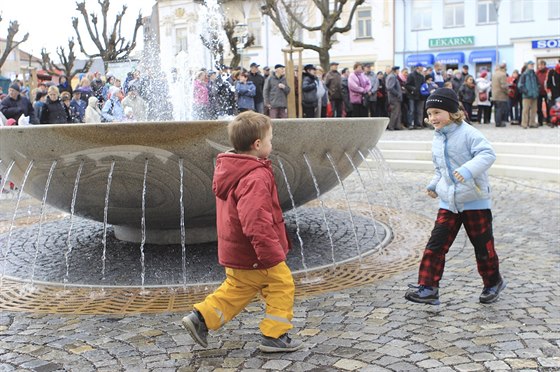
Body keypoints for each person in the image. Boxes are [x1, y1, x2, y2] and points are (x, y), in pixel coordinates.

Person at [181, 111, 303, 353]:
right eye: (270, 140)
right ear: (257, 145)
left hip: (236, 249)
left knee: (238, 288)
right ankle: (274, 335)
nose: (271, 144)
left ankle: (201, 318)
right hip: (257, 253)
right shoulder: (255, 176)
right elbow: (255, 221)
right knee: (282, 284)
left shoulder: (232, 168)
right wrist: (269, 252)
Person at [405, 88, 504, 306]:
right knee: (436, 245)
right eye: (429, 113)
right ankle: (428, 287)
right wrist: (434, 185)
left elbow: (488, 154)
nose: (432, 118)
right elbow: (440, 168)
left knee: (482, 246)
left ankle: (493, 282)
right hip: (448, 201)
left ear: (451, 112)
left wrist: (468, 170)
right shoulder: (438, 138)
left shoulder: (469, 133)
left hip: (474, 200)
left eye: (437, 112)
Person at [518, 61, 539, 128]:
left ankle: (532, 123)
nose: (532, 66)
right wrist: (525, 91)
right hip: (526, 95)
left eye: (533, 65)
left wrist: (537, 90)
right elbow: (520, 85)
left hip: (534, 95)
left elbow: (538, 84)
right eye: (531, 65)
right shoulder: (524, 74)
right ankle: (524, 123)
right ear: (527, 66)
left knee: (534, 110)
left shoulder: (534, 74)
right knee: (525, 110)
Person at [406, 63, 425, 129]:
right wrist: (413, 89)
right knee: (411, 110)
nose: (422, 68)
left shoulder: (422, 76)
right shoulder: (411, 75)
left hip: (419, 96)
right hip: (412, 95)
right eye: (421, 67)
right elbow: (407, 85)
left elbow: (423, 85)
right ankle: (410, 124)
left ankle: (417, 124)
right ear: (417, 67)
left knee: (418, 110)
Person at [491, 63, 509, 127]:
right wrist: (508, 91)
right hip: (501, 95)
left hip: (494, 95)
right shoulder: (503, 75)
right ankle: (500, 122)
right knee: (500, 110)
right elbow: (503, 86)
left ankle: (497, 122)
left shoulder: (494, 74)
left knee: (496, 109)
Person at [385, 66, 403, 130]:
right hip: (394, 98)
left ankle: (397, 126)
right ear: (395, 70)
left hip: (395, 98)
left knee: (397, 112)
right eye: (398, 70)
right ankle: (391, 126)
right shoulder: (392, 77)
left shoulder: (393, 76)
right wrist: (397, 94)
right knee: (394, 112)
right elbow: (390, 87)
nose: (399, 71)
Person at [536, 60, 550, 125]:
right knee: (538, 107)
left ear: (544, 65)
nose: (540, 66)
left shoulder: (548, 72)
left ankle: (548, 120)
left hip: (547, 91)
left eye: (542, 65)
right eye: (539, 65)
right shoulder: (537, 73)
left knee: (548, 106)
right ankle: (540, 121)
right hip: (539, 92)